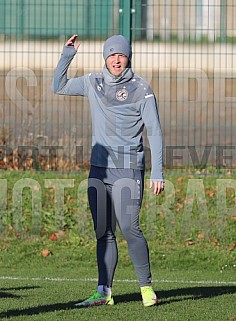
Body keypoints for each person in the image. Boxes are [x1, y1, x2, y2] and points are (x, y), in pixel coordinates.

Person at [52, 34, 164, 307]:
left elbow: (155, 132)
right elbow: (59, 86)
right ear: (105, 58)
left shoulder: (142, 88)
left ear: (128, 57)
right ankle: (104, 292)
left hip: (128, 169)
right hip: (99, 170)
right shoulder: (93, 82)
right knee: (104, 231)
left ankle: (146, 288)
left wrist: (157, 172)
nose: (116, 59)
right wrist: (67, 55)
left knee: (129, 226)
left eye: (121, 55)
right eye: (111, 55)